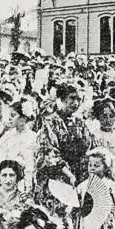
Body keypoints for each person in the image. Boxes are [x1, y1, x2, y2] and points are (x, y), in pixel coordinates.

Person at [35, 82, 95, 212]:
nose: (75, 103)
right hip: (57, 176)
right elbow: (48, 151)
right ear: (62, 99)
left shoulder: (80, 123)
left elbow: (89, 148)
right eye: (72, 98)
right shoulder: (50, 121)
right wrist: (68, 174)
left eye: (79, 99)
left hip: (79, 175)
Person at [0, 98, 38, 193]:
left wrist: (28, 186)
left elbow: (30, 164)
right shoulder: (7, 135)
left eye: (13, 115)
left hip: (22, 182)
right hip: (4, 180)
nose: (10, 118)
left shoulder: (32, 137)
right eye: (9, 115)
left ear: (23, 119)